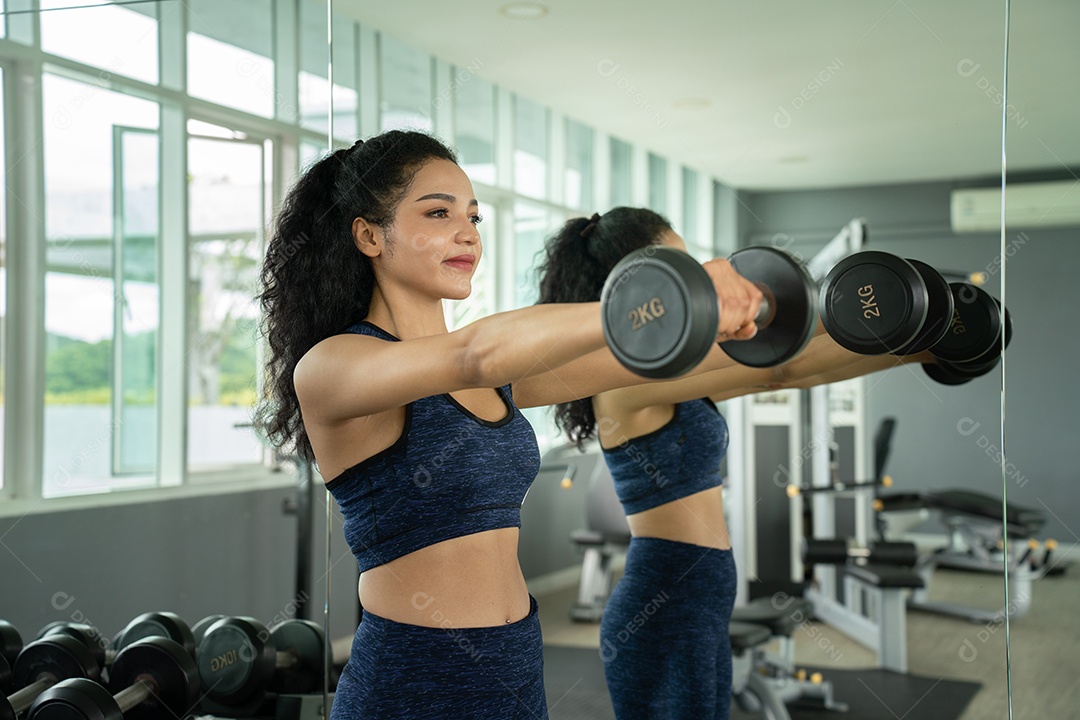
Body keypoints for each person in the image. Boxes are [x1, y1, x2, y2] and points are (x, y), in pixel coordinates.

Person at [253, 132, 766, 719]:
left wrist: (753, 315)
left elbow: (653, 355)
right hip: (415, 678)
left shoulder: (493, 375)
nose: (467, 233)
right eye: (438, 213)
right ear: (369, 235)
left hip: (515, 664)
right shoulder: (333, 366)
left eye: (473, 216)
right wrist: (678, 290)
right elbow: (476, 353)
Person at [534, 207, 934, 720]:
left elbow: (792, 366)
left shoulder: (666, 372)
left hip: (698, 594)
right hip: (668, 599)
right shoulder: (626, 377)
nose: (693, 290)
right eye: (678, 273)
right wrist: (905, 335)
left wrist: (922, 343)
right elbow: (783, 368)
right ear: (643, 292)